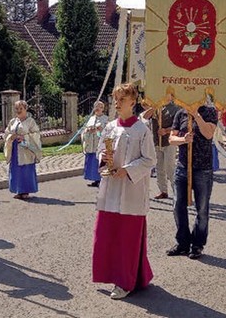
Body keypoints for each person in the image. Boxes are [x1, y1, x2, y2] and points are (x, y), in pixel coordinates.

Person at [93, 83, 155, 300]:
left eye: (121, 99)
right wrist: (104, 160)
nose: (117, 103)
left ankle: (125, 281)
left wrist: (127, 171)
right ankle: (113, 274)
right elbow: (101, 151)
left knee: (127, 238)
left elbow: (150, 160)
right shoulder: (110, 127)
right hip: (111, 189)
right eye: (115, 99)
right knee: (108, 235)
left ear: (133, 102)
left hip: (131, 191)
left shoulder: (142, 129)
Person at [166, 99, 217, 259]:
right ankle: (182, 242)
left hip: (203, 168)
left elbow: (209, 134)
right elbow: (171, 138)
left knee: (202, 208)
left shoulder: (209, 111)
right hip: (182, 167)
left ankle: (197, 244)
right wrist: (183, 140)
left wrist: (196, 115)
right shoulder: (180, 113)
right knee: (177, 206)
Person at [140, 93, 180, 199]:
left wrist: (166, 130)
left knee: (169, 167)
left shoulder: (176, 108)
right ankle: (163, 191)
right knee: (159, 168)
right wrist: (155, 107)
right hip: (157, 142)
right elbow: (145, 116)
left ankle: (177, 191)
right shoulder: (157, 107)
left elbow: (179, 126)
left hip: (169, 142)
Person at [4, 100, 42, 199]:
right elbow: (7, 132)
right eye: (17, 108)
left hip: (26, 149)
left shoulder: (30, 122)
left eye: (21, 108)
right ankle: (18, 190)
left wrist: (24, 138)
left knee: (25, 170)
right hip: (15, 149)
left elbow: (36, 134)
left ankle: (25, 191)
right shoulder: (13, 121)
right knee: (16, 170)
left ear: (25, 109)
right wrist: (10, 137)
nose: (18, 111)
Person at [82, 101, 109, 187]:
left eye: (100, 107)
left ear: (103, 109)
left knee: (99, 161)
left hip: (99, 145)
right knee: (92, 162)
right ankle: (95, 179)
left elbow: (107, 132)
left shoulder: (106, 119)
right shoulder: (91, 118)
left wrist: (99, 130)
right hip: (91, 145)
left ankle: (102, 179)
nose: (97, 108)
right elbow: (84, 130)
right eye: (96, 106)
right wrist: (88, 131)